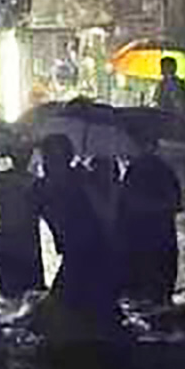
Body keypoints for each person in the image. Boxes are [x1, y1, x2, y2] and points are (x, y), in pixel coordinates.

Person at [35, 132, 119, 328]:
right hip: (75, 256)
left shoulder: (82, 183)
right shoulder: (44, 189)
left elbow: (107, 216)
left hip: (95, 256)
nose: (47, 166)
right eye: (46, 159)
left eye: (53, 160)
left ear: (67, 160)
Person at [118, 147, 185, 306]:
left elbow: (125, 205)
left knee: (144, 293)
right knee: (159, 292)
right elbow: (176, 203)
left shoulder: (138, 171)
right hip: (159, 240)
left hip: (147, 241)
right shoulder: (164, 170)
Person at [0, 158, 46, 299]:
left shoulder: (0, 179)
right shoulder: (34, 181)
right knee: (27, 294)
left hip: (16, 243)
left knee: (15, 292)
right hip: (24, 245)